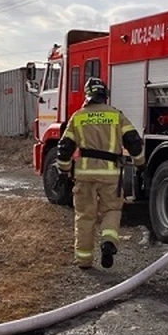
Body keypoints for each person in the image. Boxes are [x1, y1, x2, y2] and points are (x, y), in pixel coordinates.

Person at [55, 77, 145, 269]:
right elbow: (134, 141)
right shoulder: (116, 115)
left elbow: (64, 147)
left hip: (84, 175)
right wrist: (140, 164)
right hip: (110, 175)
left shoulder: (78, 117)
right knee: (111, 210)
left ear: (87, 96)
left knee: (85, 216)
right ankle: (108, 242)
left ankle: (84, 260)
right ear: (105, 95)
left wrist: (63, 170)